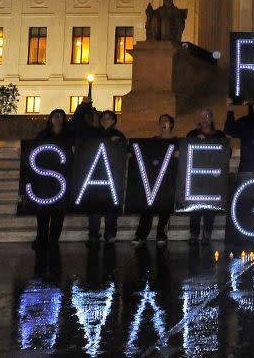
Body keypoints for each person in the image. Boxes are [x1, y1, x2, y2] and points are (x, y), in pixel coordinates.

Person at [72, 98, 126, 245]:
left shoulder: (119, 136)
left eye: (109, 118)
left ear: (114, 121)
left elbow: (123, 154)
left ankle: (109, 234)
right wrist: (83, 106)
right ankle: (94, 234)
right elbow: (77, 122)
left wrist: (119, 145)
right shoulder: (93, 133)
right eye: (103, 117)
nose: (105, 120)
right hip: (95, 174)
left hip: (111, 176)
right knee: (94, 205)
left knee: (110, 206)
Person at [132, 114, 176, 247]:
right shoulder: (153, 140)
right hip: (153, 178)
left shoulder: (176, 142)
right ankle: (141, 235)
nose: (163, 123)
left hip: (168, 178)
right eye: (161, 121)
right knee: (147, 208)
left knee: (165, 207)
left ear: (171, 124)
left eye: (166, 121)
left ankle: (161, 233)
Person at [31, 109, 71, 250]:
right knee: (43, 212)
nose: (57, 118)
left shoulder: (68, 134)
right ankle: (40, 238)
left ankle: (53, 239)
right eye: (55, 116)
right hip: (45, 178)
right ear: (51, 118)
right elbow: (33, 148)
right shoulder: (43, 134)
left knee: (58, 212)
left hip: (62, 178)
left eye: (60, 116)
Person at [185, 108, 226, 244]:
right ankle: (194, 234)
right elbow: (185, 150)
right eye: (201, 116)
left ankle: (207, 233)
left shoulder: (219, 135)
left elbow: (227, 152)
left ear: (212, 118)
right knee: (195, 206)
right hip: (196, 175)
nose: (204, 119)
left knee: (210, 206)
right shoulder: (192, 134)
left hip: (213, 175)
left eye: (207, 116)